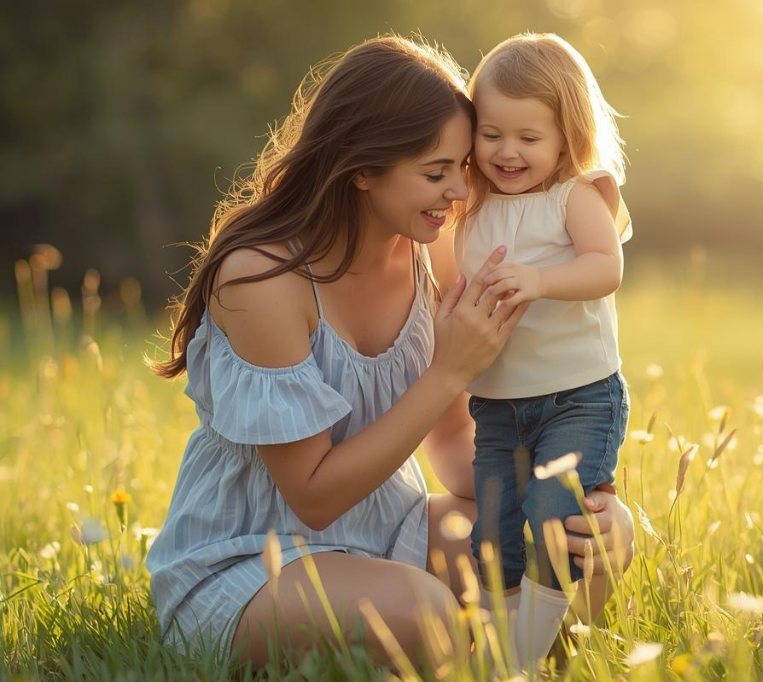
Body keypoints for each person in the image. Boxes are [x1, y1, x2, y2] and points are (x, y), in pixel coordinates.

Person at [146, 35, 635, 670]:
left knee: (577, 547)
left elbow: (459, 447)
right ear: (362, 169)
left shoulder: (432, 248)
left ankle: (523, 659)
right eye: (436, 173)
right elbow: (315, 496)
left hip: (390, 535)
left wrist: (564, 498)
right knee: (421, 612)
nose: (460, 192)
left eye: (464, 166)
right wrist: (450, 370)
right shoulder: (260, 281)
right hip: (250, 562)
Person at [455, 33, 633, 667]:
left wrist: (540, 280)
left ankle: (527, 657)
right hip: (498, 407)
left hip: (577, 396)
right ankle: (504, 653)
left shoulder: (574, 197)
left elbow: (604, 266)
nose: (507, 152)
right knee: (494, 535)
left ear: (566, 137)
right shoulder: (471, 209)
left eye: (529, 138)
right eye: (492, 133)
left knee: (555, 518)